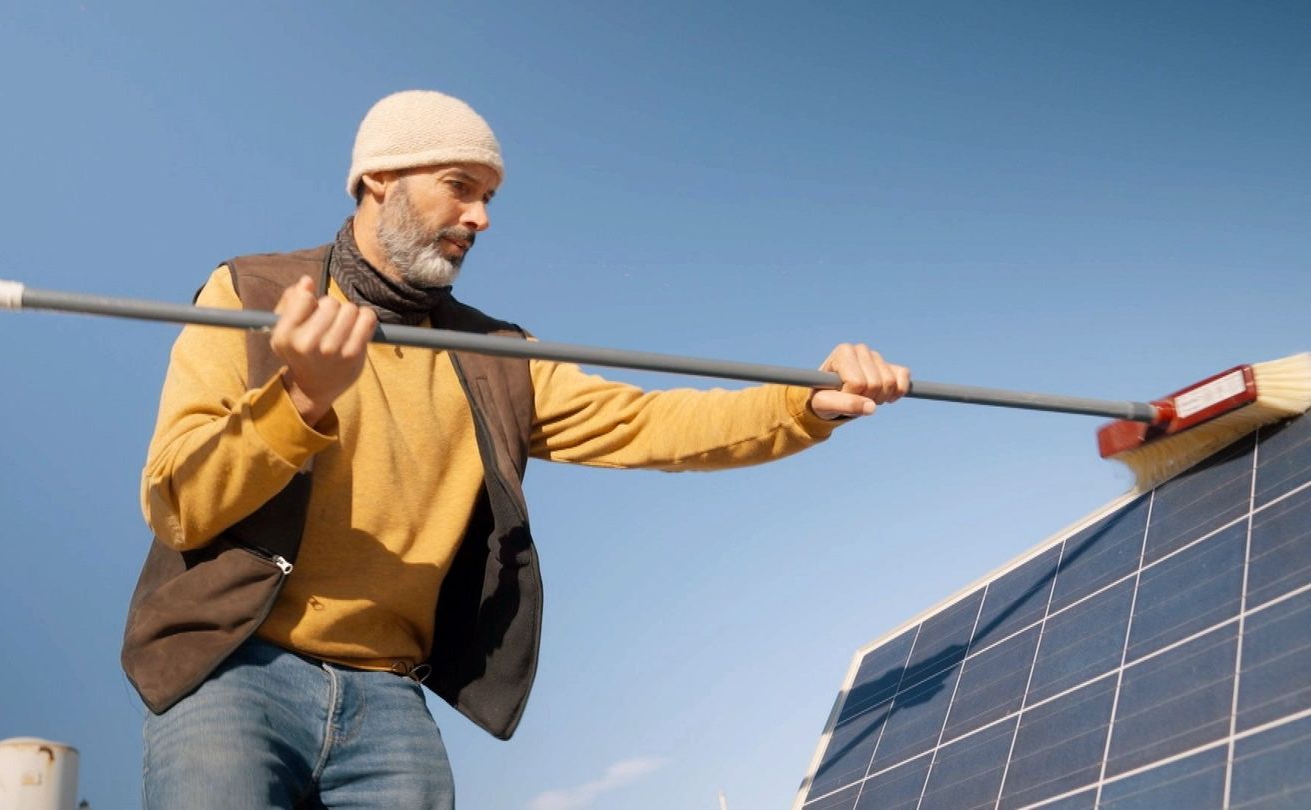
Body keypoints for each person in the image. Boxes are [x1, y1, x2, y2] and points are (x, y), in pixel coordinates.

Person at [124, 90, 910, 810]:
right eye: (460, 185)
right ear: (378, 180)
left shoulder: (497, 356)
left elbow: (651, 424)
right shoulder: (252, 293)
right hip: (235, 671)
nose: (481, 217)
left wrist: (804, 403)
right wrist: (301, 398)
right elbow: (178, 503)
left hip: (390, 699)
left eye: (488, 197)